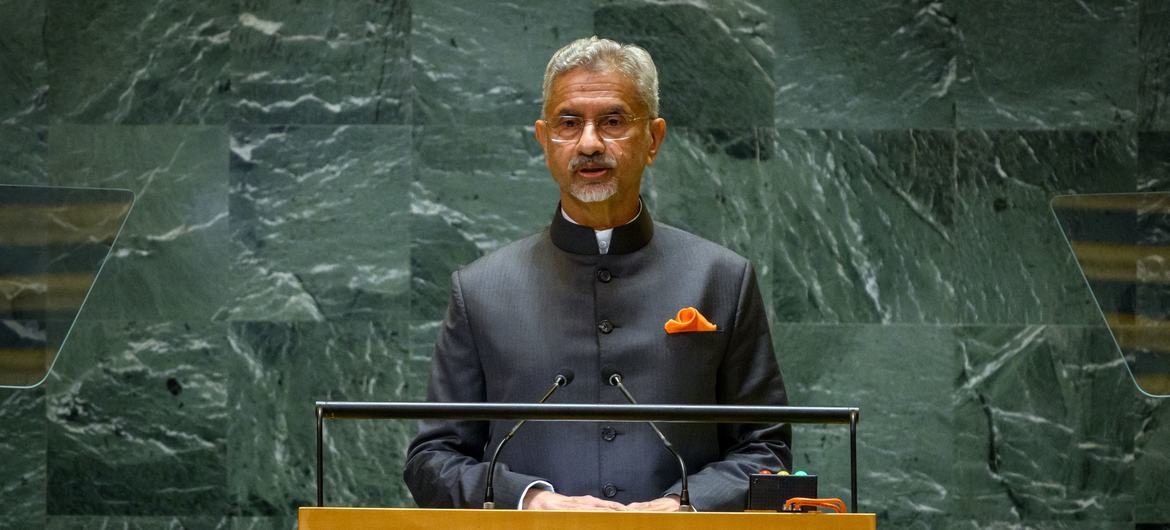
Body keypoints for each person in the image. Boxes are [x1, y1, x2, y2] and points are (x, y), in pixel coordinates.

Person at [403, 36, 790, 512]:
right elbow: (432, 460)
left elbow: (768, 451)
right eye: (569, 123)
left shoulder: (722, 279)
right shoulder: (481, 289)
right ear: (545, 141)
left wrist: (685, 506)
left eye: (613, 121)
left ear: (653, 139)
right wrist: (530, 501)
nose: (589, 143)